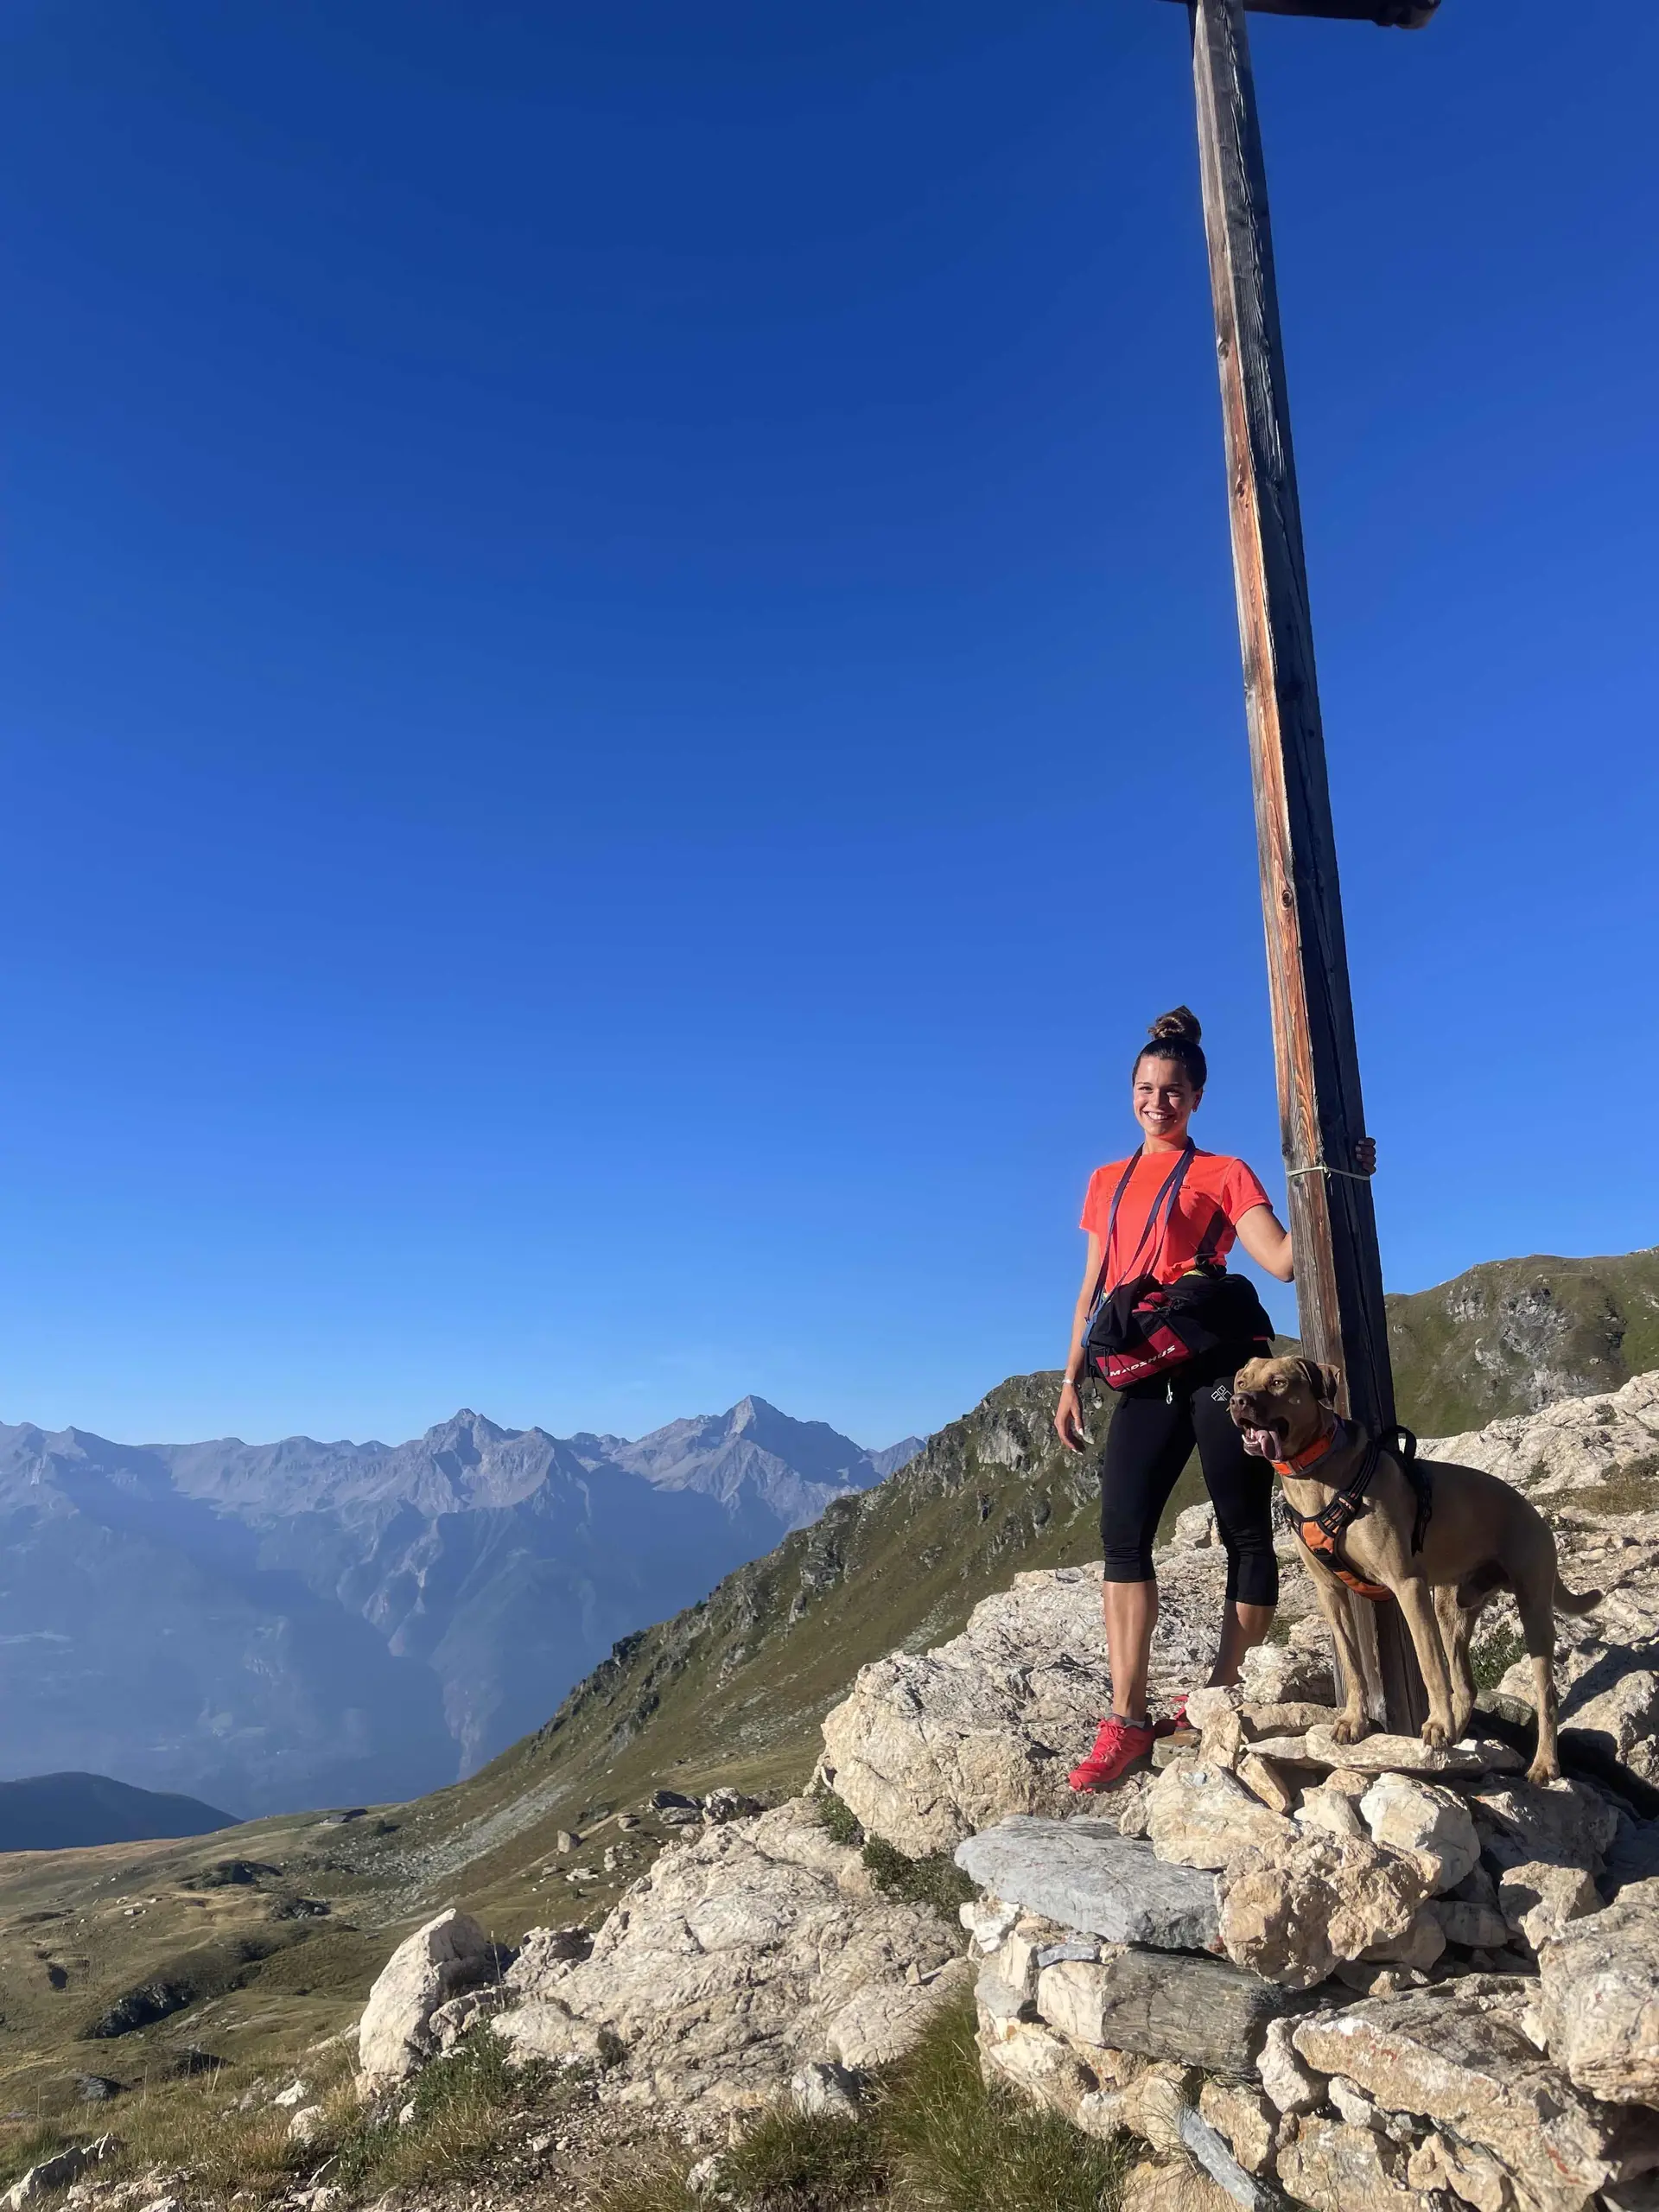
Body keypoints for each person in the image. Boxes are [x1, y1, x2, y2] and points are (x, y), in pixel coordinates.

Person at [1053, 1006, 1373, 1790]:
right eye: (1145, 1089)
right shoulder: (1105, 1181)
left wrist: (1343, 1179)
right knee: (1123, 1535)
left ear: (1196, 1097)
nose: (1156, 1102)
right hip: (1143, 1368)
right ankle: (1126, 1721)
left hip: (1221, 1368)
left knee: (1244, 1531)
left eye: (1172, 1091)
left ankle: (1218, 1698)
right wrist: (1070, 1379)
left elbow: (1286, 1261)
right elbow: (1093, 1286)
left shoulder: (1224, 1172)